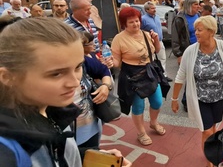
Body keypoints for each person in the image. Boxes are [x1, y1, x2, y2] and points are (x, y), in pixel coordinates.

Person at [0, 18, 130, 167]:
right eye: (56, 74)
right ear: (8, 77)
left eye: (78, 67)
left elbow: (53, 151)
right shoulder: (6, 153)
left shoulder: (51, 108)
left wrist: (87, 156)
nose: (74, 83)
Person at [171, 16, 223, 167]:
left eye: (200, 30)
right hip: (200, 98)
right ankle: (210, 161)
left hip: (219, 97)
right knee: (207, 131)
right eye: (196, 30)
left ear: (211, 31)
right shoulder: (190, 51)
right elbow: (180, 77)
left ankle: (211, 151)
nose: (196, 33)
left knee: (214, 128)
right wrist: (174, 100)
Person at [111, 7, 164, 146]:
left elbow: (156, 51)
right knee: (138, 106)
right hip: (132, 75)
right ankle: (141, 132)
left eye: (137, 21)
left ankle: (153, 122)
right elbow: (117, 62)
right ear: (124, 24)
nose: (135, 24)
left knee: (157, 101)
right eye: (131, 22)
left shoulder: (146, 34)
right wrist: (110, 62)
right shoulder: (119, 39)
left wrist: (156, 39)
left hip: (150, 72)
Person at [76, 32, 113, 157]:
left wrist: (105, 86)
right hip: (68, 132)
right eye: (56, 74)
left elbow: (104, 70)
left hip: (90, 126)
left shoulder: (84, 60)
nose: (71, 81)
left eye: (76, 68)